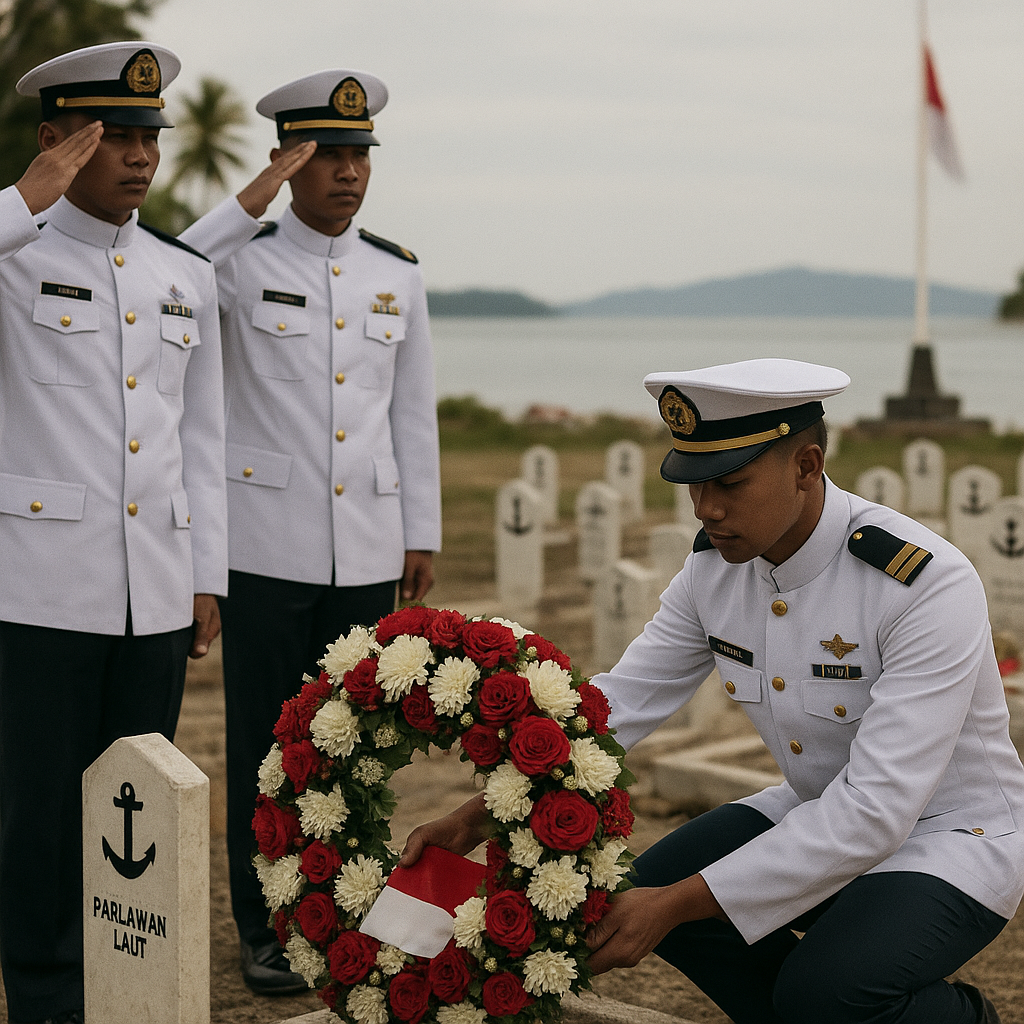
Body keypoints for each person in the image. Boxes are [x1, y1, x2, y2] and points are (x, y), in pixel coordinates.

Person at [402, 358, 1024, 1024]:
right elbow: (614, 709)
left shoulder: (920, 584)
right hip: (816, 810)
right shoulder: (714, 572)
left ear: (807, 466)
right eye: (693, 483)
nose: (707, 508)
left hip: (951, 836)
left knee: (825, 990)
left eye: (730, 482)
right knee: (649, 895)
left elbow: (878, 807)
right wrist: (475, 815)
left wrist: (678, 904)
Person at [179, 68, 442, 994]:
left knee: (355, 742)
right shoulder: (238, 259)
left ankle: (342, 910)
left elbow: (413, 413)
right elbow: (172, 258)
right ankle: (262, 925)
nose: (347, 173)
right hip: (262, 545)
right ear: (290, 163)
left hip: (366, 547)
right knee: (265, 743)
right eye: (326, 155)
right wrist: (247, 196)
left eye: (358, 155)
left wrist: (423, 526)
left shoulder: (395, 272)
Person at [0, 42, 227, 1024]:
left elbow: (203, 438)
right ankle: (48, 994)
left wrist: (204, 573)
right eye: (112, 136)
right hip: (39, 587)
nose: (139, 156)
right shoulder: (13, 257)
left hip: (154, 589)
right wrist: (21, 198)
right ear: (58, 141)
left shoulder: (183, 273)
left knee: (136, 797)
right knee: (41, 812)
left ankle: (124, 985)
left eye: (148, 137)